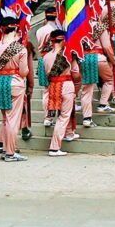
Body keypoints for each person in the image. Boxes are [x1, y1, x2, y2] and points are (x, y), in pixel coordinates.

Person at [0, 11, 30, 162]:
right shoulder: (20, 48)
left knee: (6, 118)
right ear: (16, 28)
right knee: (13, 120)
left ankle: (7, 149)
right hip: (15, 83)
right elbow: (24, 72)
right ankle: (10, 153)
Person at [42, 29, 77, 157]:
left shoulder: (45, 56)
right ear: (63, 40)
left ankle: (68, 133)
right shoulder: (68, 54)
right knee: (64, 116)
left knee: (61, 115)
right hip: (66, 85)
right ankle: (55, 147)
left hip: (53, 86)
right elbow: (76, 73)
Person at [80, 18, 115, 123]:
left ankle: (87, 118)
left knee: (87, 89)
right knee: (109, 79)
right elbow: (107, 46)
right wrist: (114, 60)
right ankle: (103, 104)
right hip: (98, 57)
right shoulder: (99, 25)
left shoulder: (79, 26)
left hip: (84, 58)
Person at [33, 6, 59, 132]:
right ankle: (53, 115)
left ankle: (47, 117)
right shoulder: (56, 30)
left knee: (46, 91)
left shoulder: (39, 30)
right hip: (54, 59)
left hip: (42, 60)